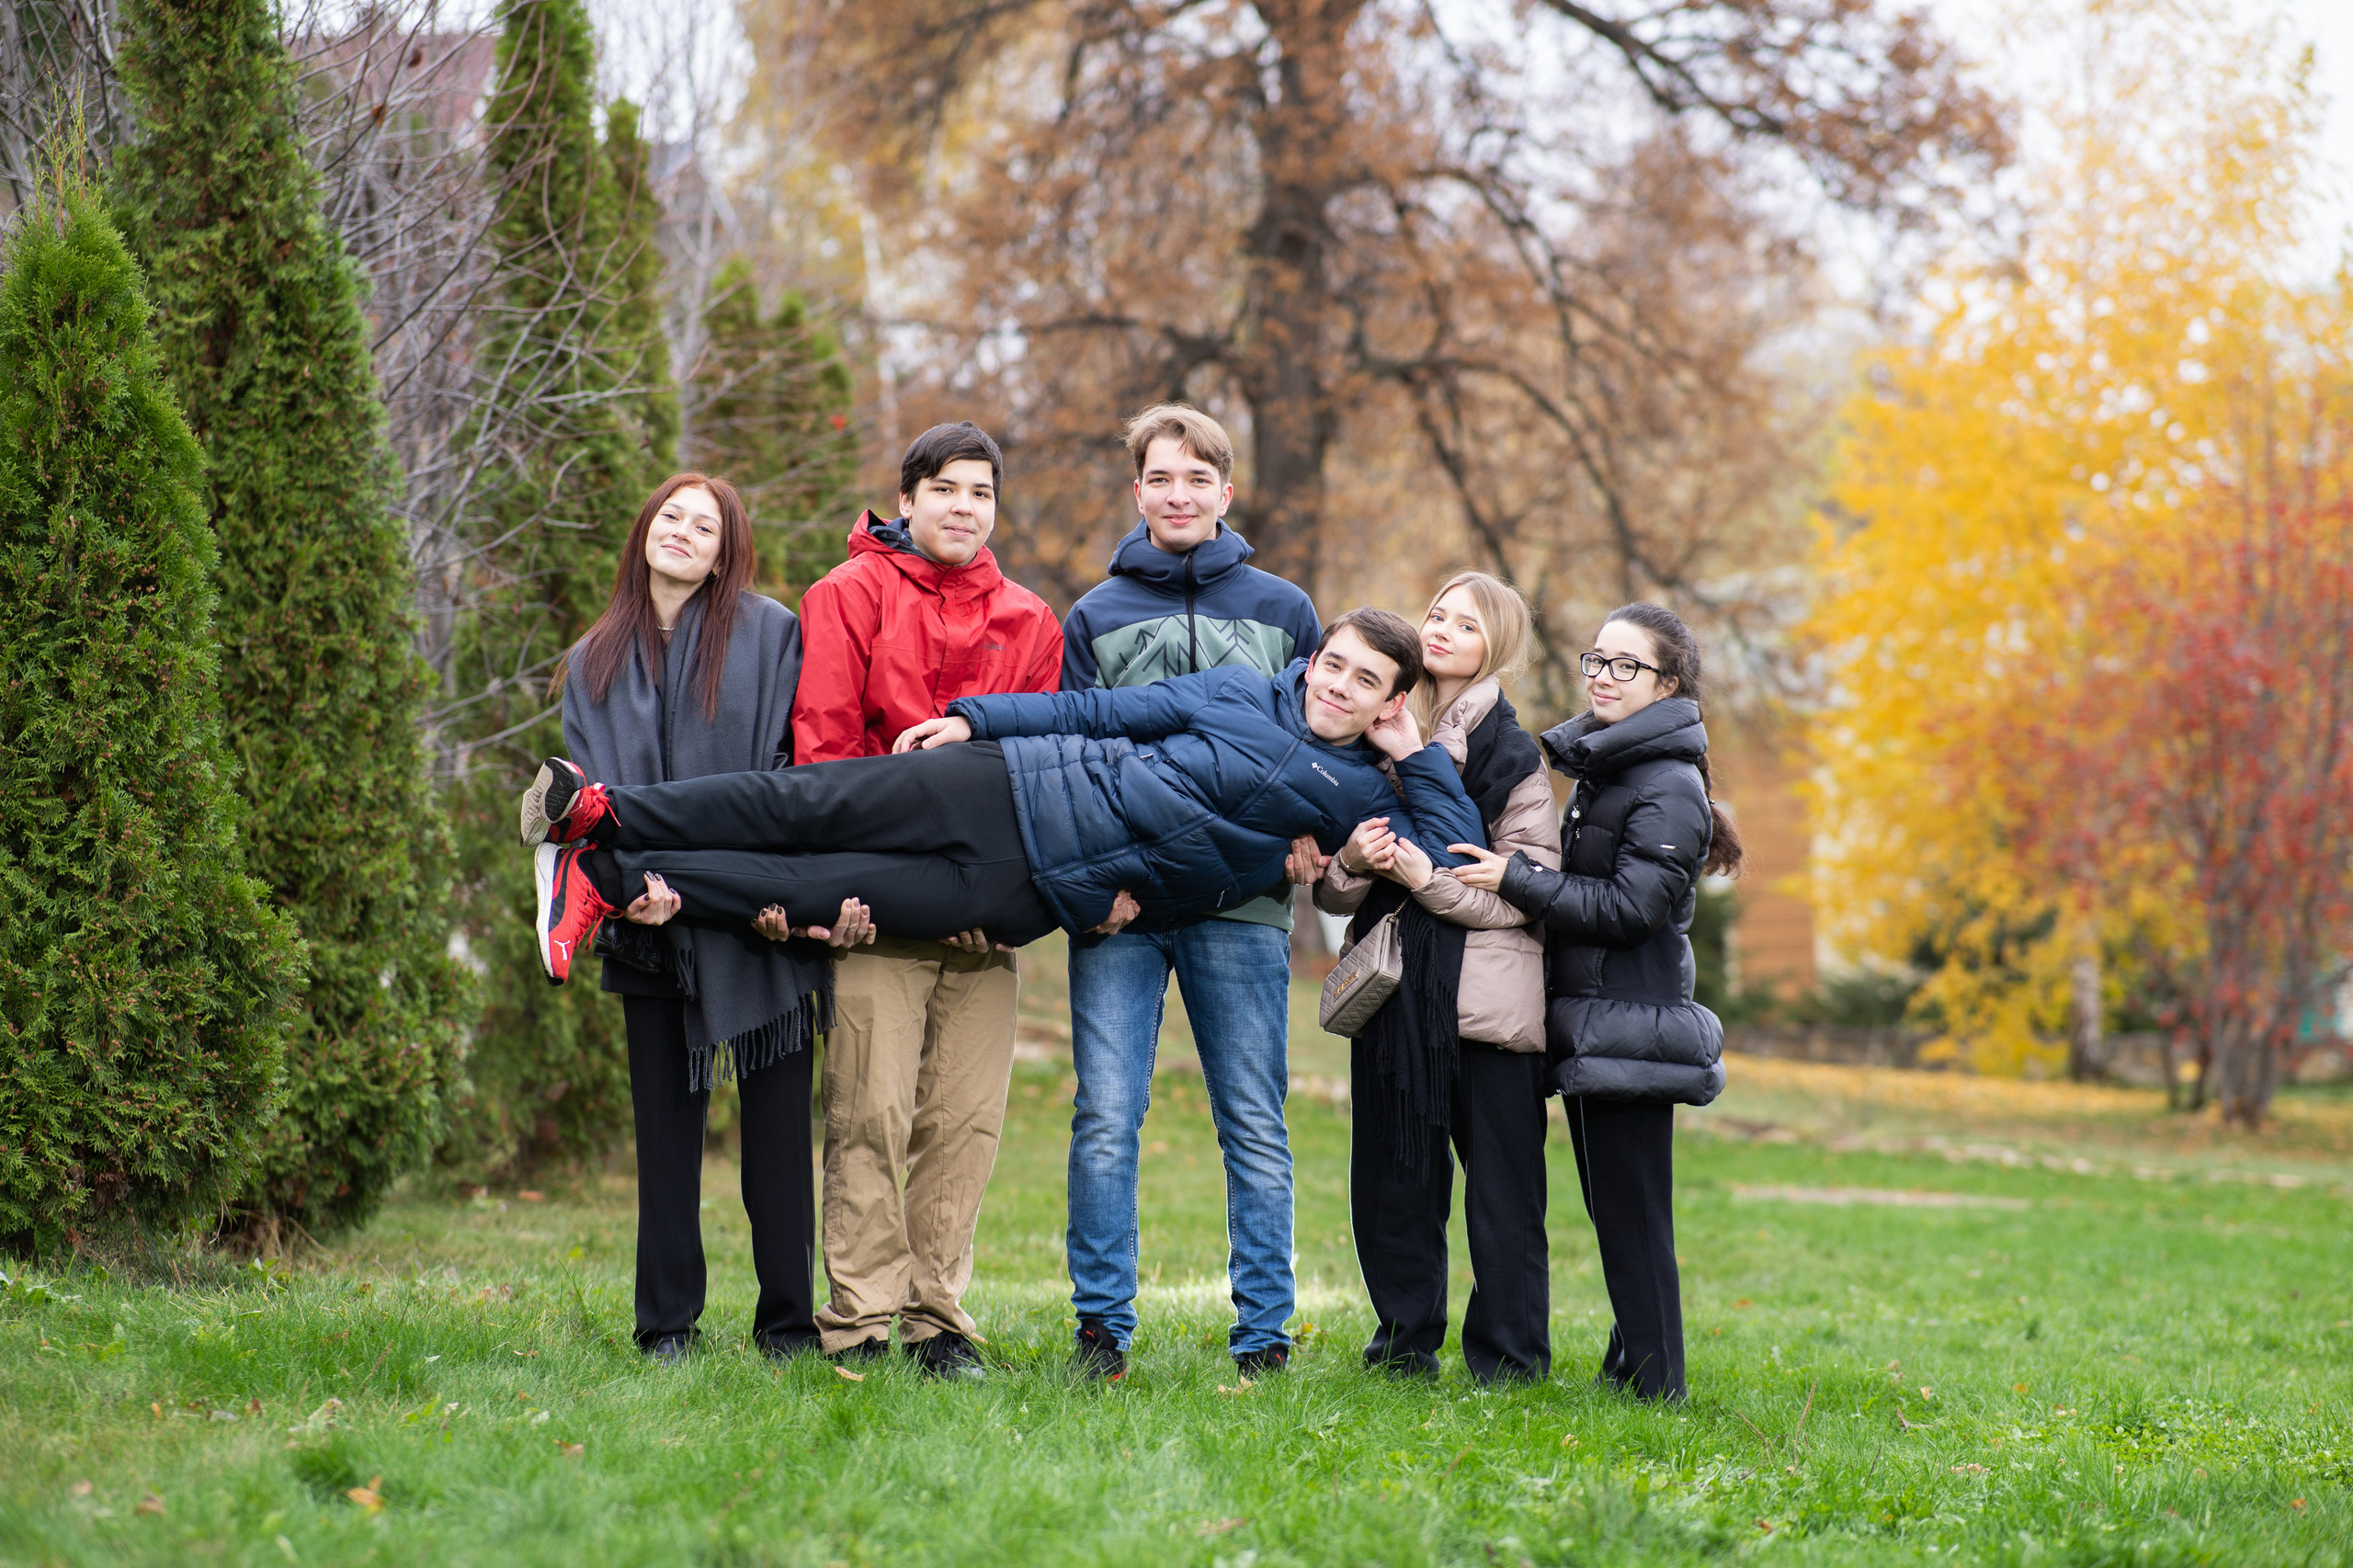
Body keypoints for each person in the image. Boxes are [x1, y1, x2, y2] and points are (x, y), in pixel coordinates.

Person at [522, 610, 1487, 981]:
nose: (1338, 686)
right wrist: (978, 719)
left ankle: (607, 878)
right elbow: (1103, 711)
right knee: (800, 805)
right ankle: (607, 811)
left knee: (815, 889)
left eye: (1366, 682)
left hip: (1031, 893)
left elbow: (1445, 855)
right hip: (1002, 785)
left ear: (1390, 700)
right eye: (1335, 664)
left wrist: (1415, 752)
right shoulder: (1239, 689)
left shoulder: (1359, 789)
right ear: (1313, 657)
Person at [551, 472, 870, 1366]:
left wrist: (745, 888)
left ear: (727, 549)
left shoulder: (770, 633)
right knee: (666, 1141)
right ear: (643, 529)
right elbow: (591, 805)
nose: (684, 532)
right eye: (671, 516)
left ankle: (786, 1323)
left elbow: (783, 775)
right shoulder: (591, 661)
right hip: (646, 920)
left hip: (755, 914)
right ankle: (666, 1324)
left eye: (707, 524)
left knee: (776, 1143)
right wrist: (635, 886)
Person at [790, 422, 1064, 1380]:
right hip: (880, 904)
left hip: (984, 921)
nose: (962, 507)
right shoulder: (845, 594)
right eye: (943, 488)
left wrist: (1002, 892)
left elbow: (1040, 774)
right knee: (868, 1109)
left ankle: (937, 1320)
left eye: (980, 492)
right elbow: (824, 755)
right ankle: (859, 1318)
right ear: (904, 500)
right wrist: (852, 885)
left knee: (962, 1120)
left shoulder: (1031, 621)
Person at [1056, 403, 1325, 1381]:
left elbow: (1317, 746)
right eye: (1160, 479)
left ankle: (1262, 1336)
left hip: (1243, 909)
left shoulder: (1284, 611)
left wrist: (1311, 846)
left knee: (1252, 1120)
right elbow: (1070, 764)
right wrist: (1096, 889)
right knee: (1104, 1117)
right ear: (1138, 493)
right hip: (1121, 915)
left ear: (1225, 491)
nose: (1178, 494)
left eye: (1197, 478)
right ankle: (1100, 1329)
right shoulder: (1093, 615)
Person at [1449, 601, 1745, 1401]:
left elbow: (1628, 909)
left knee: (1634, 1219)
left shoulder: (1668, 785)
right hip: (1597, 1025)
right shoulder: (1617, 771)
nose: (1603, 677)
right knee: (1617, 1213)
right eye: (1596, 661)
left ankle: (1660, 1389)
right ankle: (1632, 1369)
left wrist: (1517, 878)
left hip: (1632, 1026)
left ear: (1668, 685)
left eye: (1626, 666)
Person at [1316, 572, 1560, 1383]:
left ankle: (1512, 1358)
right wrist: (1350, 862)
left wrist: (1428, 879)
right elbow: (1334, 886)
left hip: (1489, 1005)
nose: (1445, 630)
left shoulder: (1515, 755)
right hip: (1392, 992)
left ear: (1498, 644)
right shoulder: (1379, 724)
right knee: (1392, 1181)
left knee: (1503, 1190)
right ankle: (1402, 1346)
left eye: (1467, 621)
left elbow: (1523, 896)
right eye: (1436, 615)